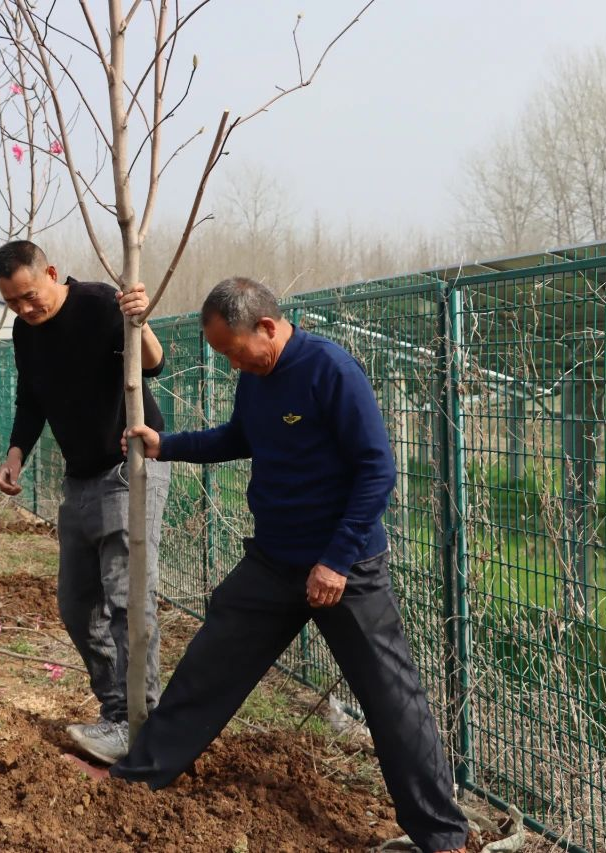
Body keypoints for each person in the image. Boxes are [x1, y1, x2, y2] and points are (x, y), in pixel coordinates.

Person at [88, 278, 468, 853]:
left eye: (234, 350)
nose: (232, 363)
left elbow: (377, 470)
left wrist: (336, 561)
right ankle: (138, 780)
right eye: (223, 354)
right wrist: (169, 444)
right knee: (209, 665)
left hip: (346, 569)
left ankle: (442, 837)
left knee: (392, 699)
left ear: (267, 326)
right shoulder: (255, 376)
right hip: (273, 561)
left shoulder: (330, 371)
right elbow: (240, 437)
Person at [0, 240, 171, 763]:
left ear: (50, 272)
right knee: (77, 604)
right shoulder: (25, 332)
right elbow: (31, 398)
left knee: (128, 599)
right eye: (11, 302)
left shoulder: (98, 304)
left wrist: (140, 322)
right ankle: (118, 711)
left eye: (29, 295)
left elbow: (153, 365)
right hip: (80, 478)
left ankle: (142, 724)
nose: (24, 308)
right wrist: (16, 453)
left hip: (130, 468)